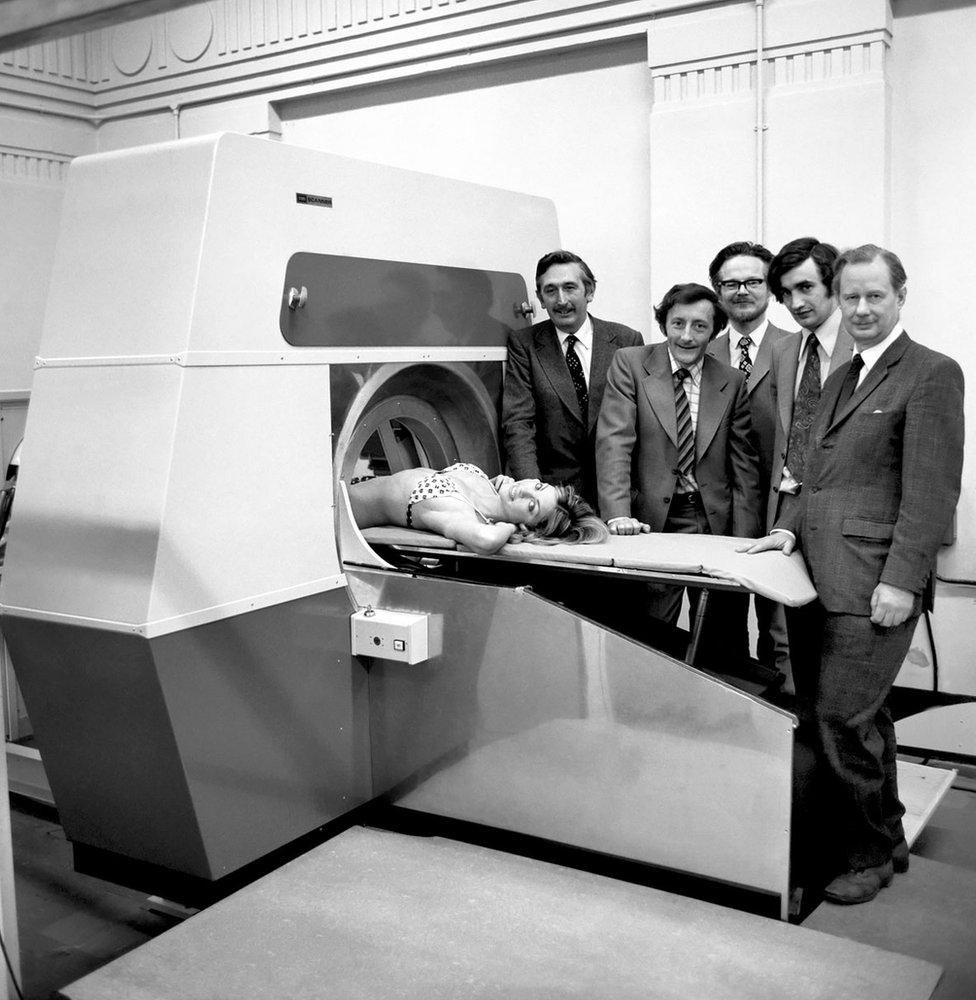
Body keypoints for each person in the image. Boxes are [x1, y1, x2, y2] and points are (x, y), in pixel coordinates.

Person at [744, 246, 964, 904]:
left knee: (841, 718)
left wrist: (901, 581)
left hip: (874, 582)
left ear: (901, 296)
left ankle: (865, 853)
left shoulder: (930, 373)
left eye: (876, 296)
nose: (862, 309)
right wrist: (787, 528)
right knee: (849, 717)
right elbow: (818, 475)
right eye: (853, 297)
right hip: (816, 575)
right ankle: (886, 834)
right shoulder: (844, 376)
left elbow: (931, 494)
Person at [596, 283, 762, 658]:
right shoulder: (631, 363)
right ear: (664, 323)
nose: (686, 336)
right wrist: (619, 516)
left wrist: (745, 543)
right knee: (649, 638)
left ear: (715, 330)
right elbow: (614, 443)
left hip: (712, 523)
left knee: (723, 639)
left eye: (699, 326)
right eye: (677, 323)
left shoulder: (731, 381)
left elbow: (744, 467)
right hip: (651, 523)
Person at [707, 241, 792, 680]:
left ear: (770, 288)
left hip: (784, 507)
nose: (742, 290)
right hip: (724, 509)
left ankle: (789, 720)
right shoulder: (700, 351)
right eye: (730, 282)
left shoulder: (797, 348)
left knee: (782, 629)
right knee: (724, 623)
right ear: (717, 291)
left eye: (753, 281)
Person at [503, 250, 643, 514]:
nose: (561, 300)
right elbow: (519, 423)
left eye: (570, 288)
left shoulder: (626, 340)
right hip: (556, 500)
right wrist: (534, 495)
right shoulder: (525, 344)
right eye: (550, 290)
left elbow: (641, 425)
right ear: (541, 299)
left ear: (589, 292)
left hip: (620, 498)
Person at [767, 237, 853, 527]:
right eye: (786, 293)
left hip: (839, 513)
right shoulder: (783, 350)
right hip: (783, 507)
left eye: (805, 287)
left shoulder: (861, 346)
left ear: (833, 284)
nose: (795, 303)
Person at [348, 463, 608, 555]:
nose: (525, 490)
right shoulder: (487, 483)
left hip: (332, 513)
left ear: (528, 525)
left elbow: (485, 540)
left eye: (531, 506)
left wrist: (508, 526)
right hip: (344, 486)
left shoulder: (460, 511)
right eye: (538, 486)